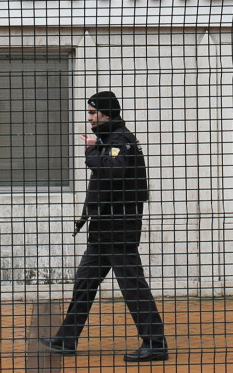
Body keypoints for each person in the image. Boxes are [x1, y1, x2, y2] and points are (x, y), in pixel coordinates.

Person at [41, 91, 168, 362]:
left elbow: (112, 170)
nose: (89, 118)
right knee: (84, 283)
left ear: (106, 113)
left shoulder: (120, 140)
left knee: (133, 286)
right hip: (103, 229)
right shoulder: (108, 139)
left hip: (118, 228)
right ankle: (66, 339)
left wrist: (90, 150)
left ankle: (155, 344)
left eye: (92, 113)